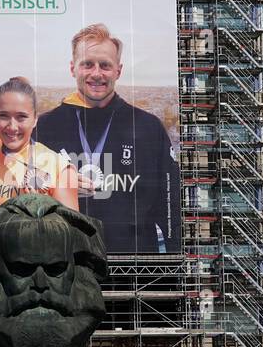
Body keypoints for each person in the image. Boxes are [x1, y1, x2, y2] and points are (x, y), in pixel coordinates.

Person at [35, 23, 181, 254]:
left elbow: (171, 205)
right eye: (87, 64)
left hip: (134, 272)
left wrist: (174, 267)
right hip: (66, 269)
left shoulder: (147, 127)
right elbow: (29, 198)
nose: (96, 74)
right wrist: (58, 187)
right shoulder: (46, 127)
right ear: (73, 68)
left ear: (118, 71)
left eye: (105, 65)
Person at [0, 76, 79, 227]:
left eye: (21, 117)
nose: (12, 126)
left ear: (35, 119)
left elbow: (72, 235)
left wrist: (42, 208)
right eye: (3, 116)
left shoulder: (60, 168)